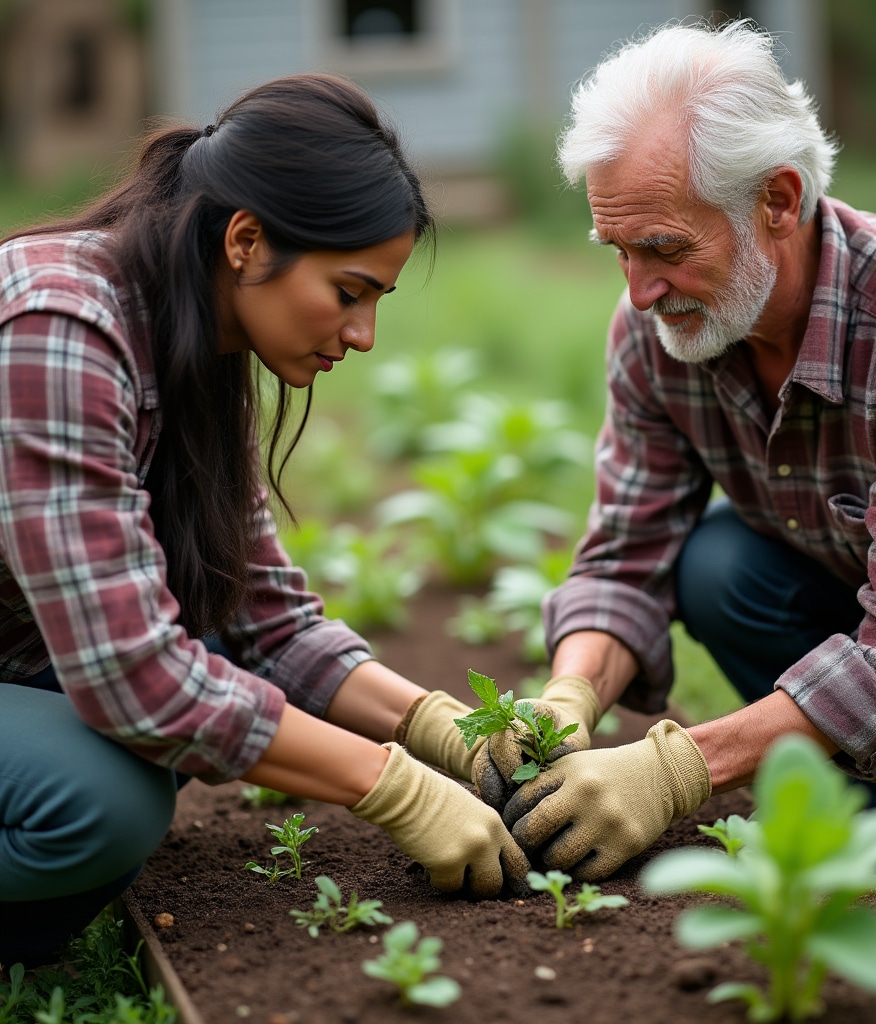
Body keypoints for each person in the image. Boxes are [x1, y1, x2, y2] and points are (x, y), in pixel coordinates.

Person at [465, 20, 876, 947]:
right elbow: (627, 545)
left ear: (778, 198)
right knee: (719, 562)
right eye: (618, 250)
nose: (639, 290)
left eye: (663, 247)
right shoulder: (663, 326)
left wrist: (681, 769)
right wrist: (567, 699)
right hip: (858, 579)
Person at [0, 73, 531, 970]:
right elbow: (135, 678)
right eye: (350, 290)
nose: (363, 335)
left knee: (155, 750)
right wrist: (390, 786)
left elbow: (267, 621)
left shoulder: (196, 337)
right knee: (102, 799)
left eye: (378, 303)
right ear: (246, 241)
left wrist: (438, 726)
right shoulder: (58, 325)